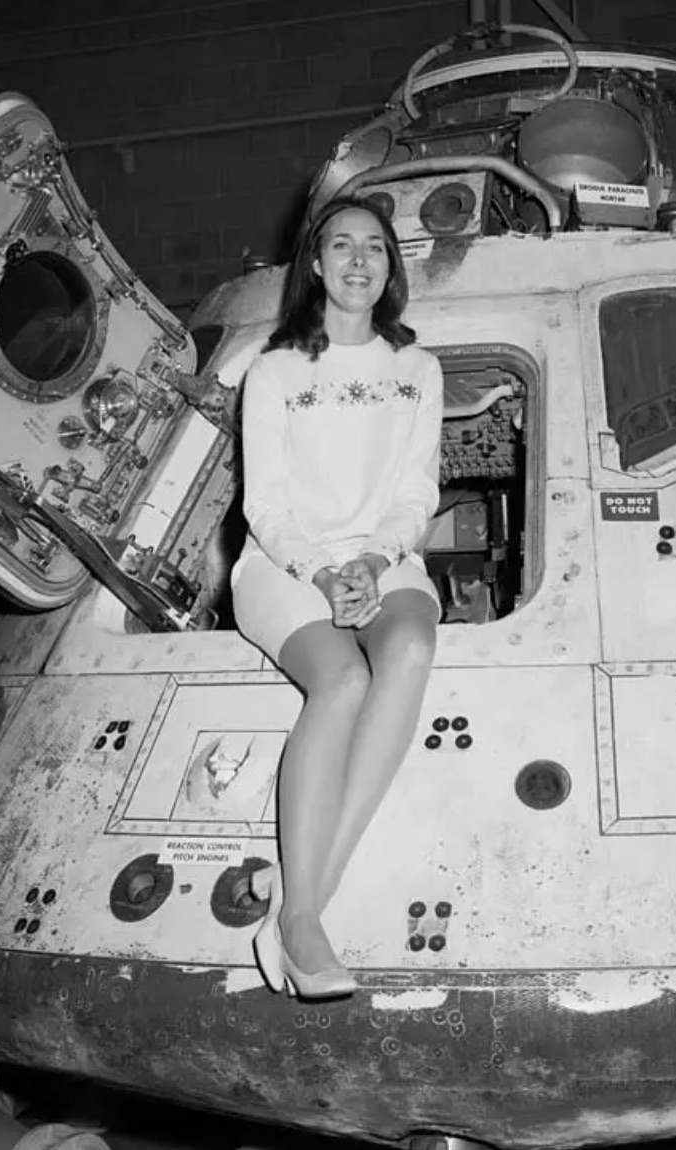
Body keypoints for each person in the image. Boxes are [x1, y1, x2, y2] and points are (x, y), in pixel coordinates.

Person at [230, 194, 443, 1000]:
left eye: (376, 249)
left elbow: (417, 495)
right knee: (345, 681)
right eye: (342, 246)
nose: (359, 261)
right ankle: (303, 923)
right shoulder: (275, 371)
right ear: (314, 266)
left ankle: (298, 900)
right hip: (281, 568)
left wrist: (377, 562)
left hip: (384, 561)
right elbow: (266, 507)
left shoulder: (417, 369)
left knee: (411, 648)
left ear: (391, 269)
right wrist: (323, 573)